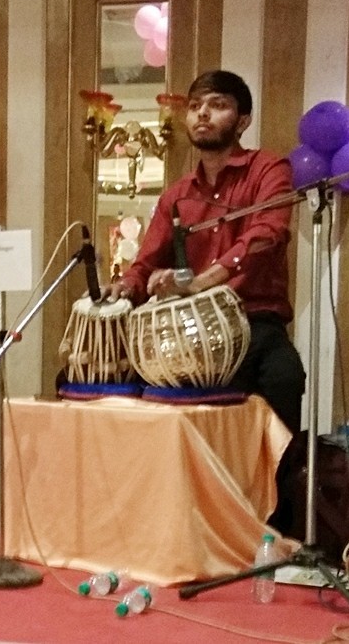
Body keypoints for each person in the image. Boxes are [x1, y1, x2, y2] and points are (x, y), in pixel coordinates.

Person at [106, 70, 305, 431]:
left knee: (284, 377)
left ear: (242, 121)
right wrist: (126, 286)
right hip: (190, 328)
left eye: (218, 105)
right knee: (116, 380)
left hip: (254, 322)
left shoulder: (269, 169)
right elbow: (146, 262)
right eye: (195, 105)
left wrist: (202, 282)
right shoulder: (177, 195)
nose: (202, 113)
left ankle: (277, 469)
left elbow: (266, 235)